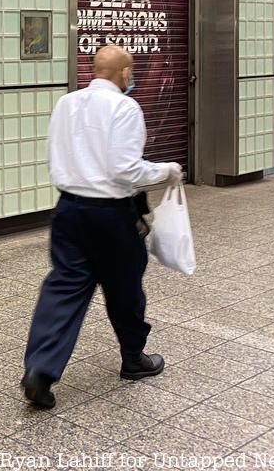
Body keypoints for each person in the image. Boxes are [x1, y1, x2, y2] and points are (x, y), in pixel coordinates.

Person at [21, 45, 182, 409]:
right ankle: (133, 359)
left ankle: (40, 370)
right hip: (110, 214)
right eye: (132, 71)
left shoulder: (66, 103)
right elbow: (125, 170)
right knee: (124, 288)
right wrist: (167, 171)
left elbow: (54, 155)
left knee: (63, 287)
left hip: (68, 210)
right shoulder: (125, 107)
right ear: (125, 74)